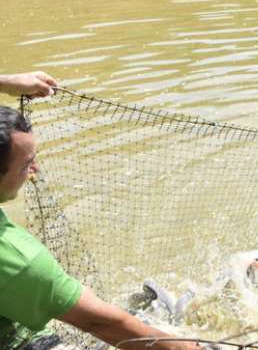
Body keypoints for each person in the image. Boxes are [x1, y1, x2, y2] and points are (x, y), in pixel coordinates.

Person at [0, 72, 201, 349]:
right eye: (26, 165)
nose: (35, 170)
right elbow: (107, 326)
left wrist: (5, 82)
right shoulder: (19, 260)